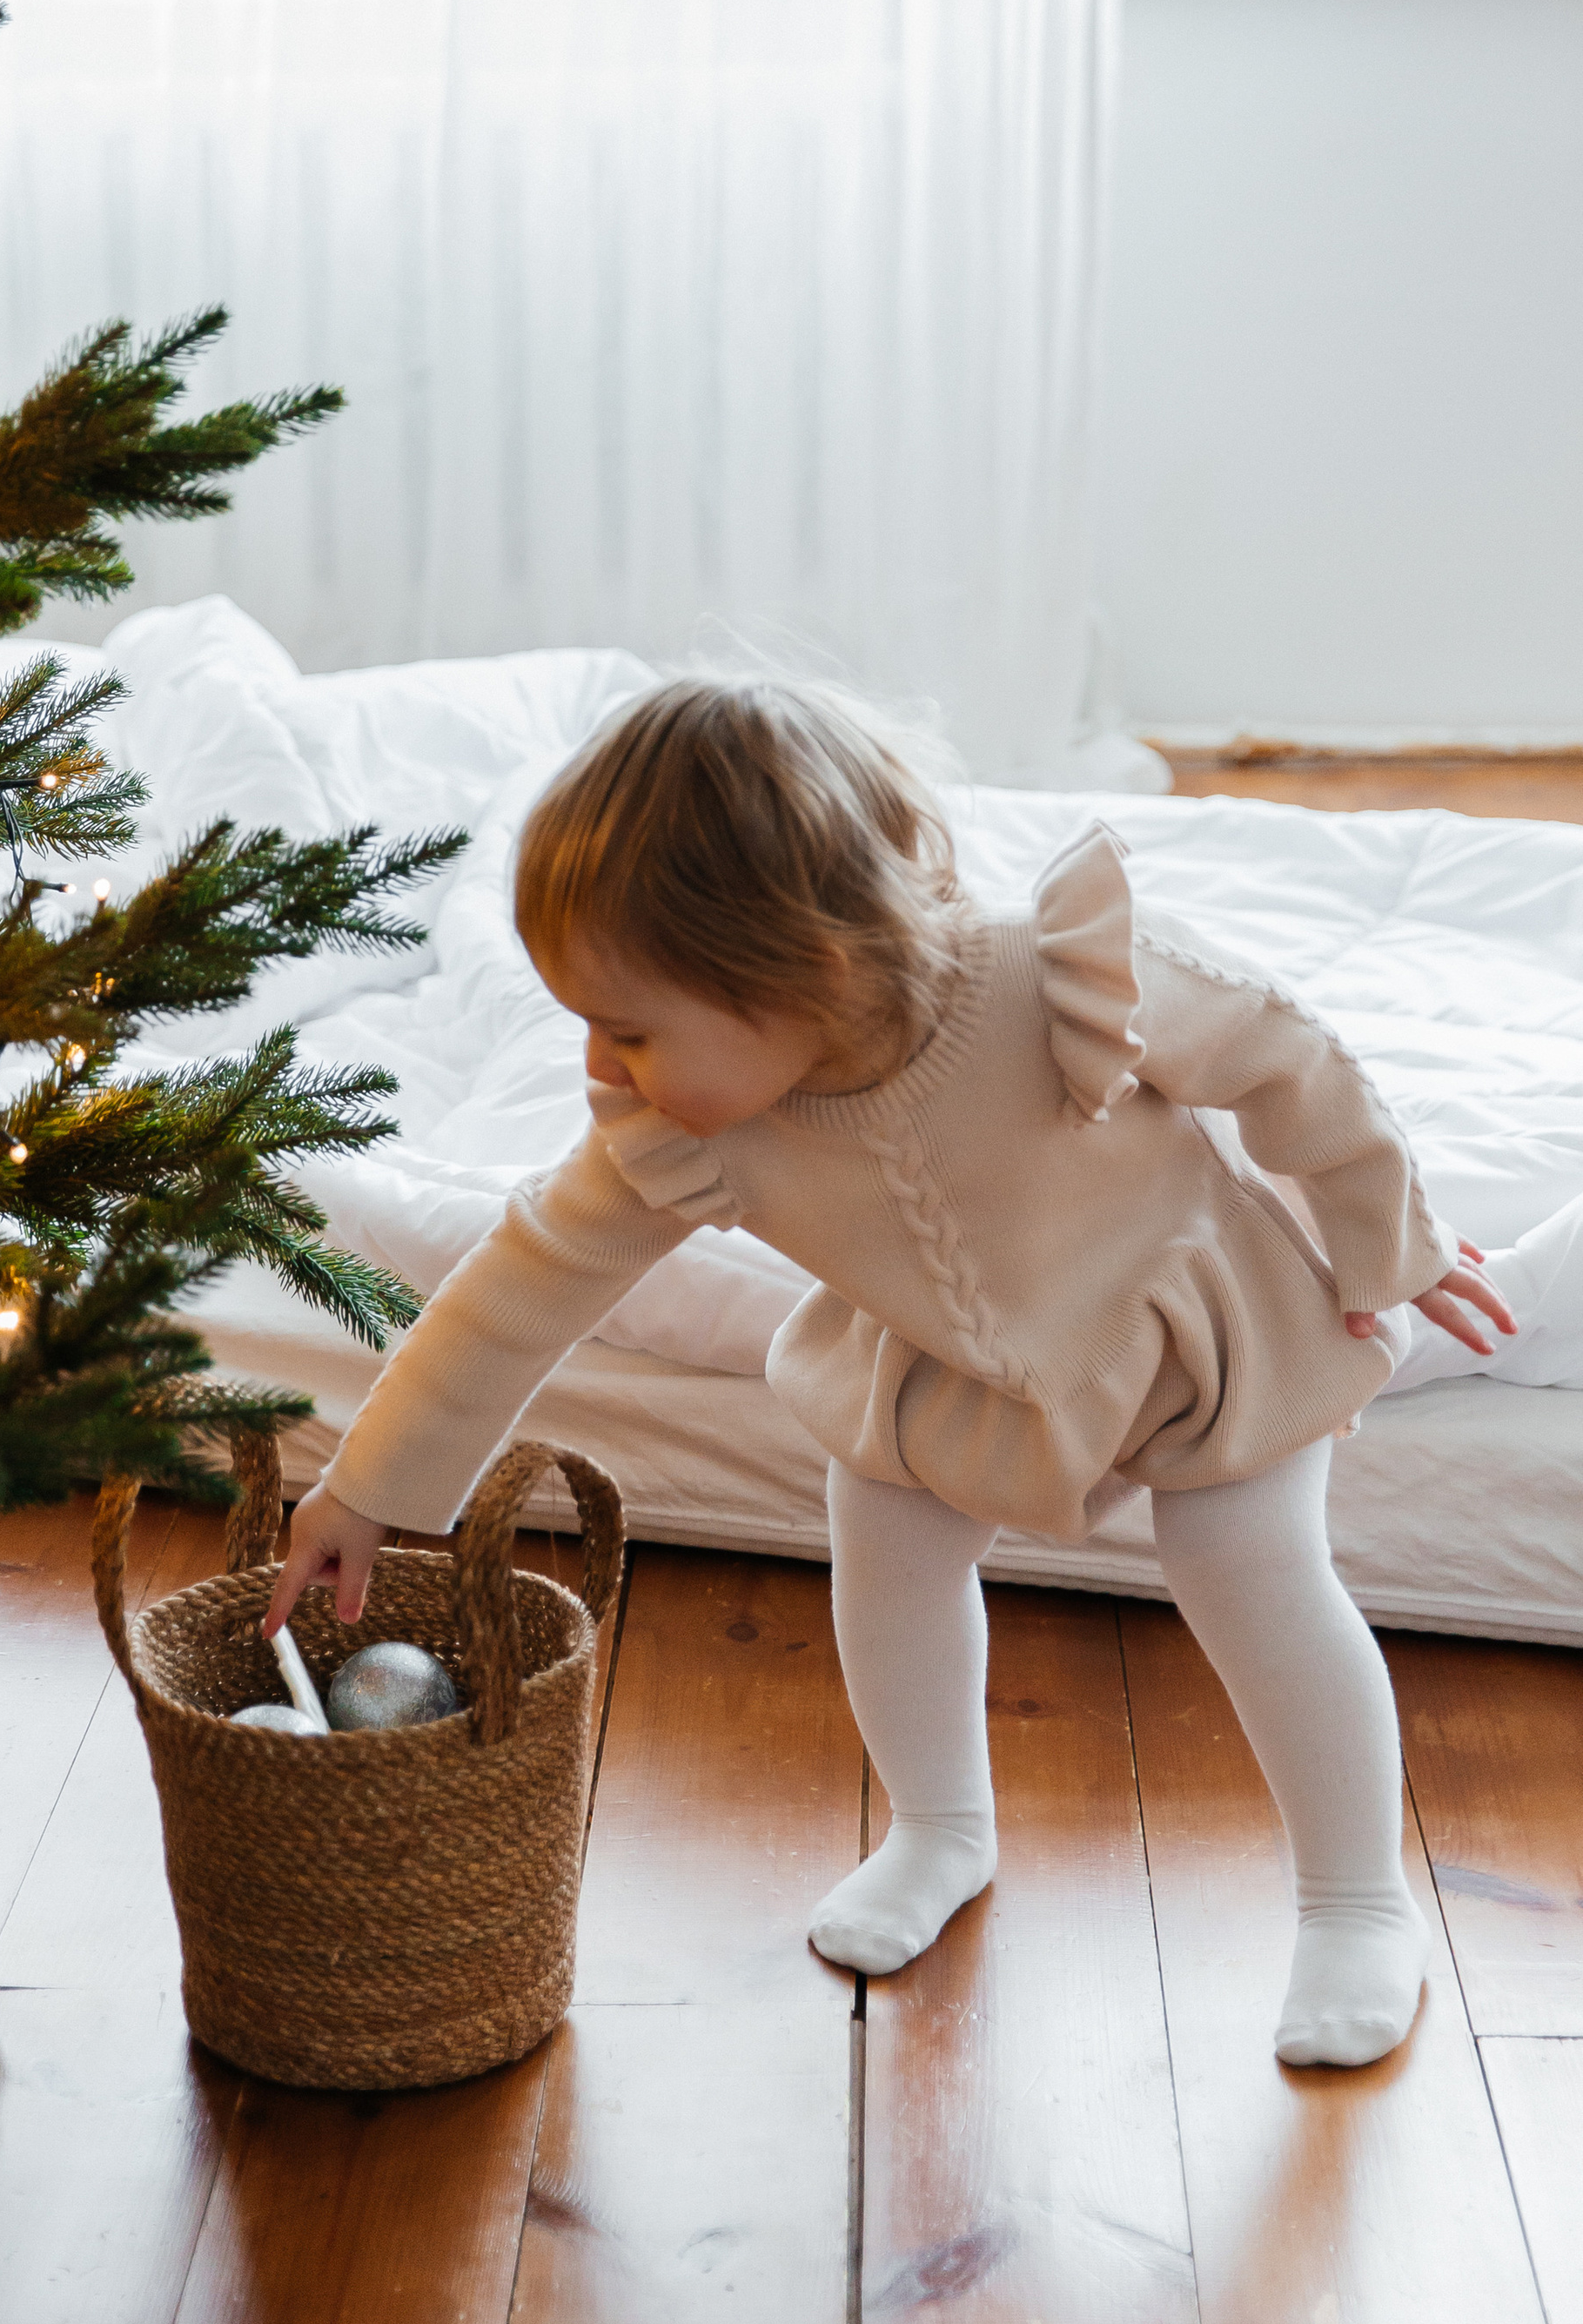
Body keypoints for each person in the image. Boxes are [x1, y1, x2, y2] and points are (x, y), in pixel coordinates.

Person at [263, 678, 1519, 2069]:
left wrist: (1385, 1238)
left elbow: (1291, 1059)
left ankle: (1355, 1902)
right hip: (957, 1367)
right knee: (886, 1534)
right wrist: (369, 1486)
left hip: (1201, 1330)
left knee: (1253, 1571)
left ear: (798, 967)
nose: (597, 1064)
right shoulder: (689, 1128)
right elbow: (518, 1287)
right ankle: (938, 1826)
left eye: (629, 1026)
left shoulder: (1054, 981)